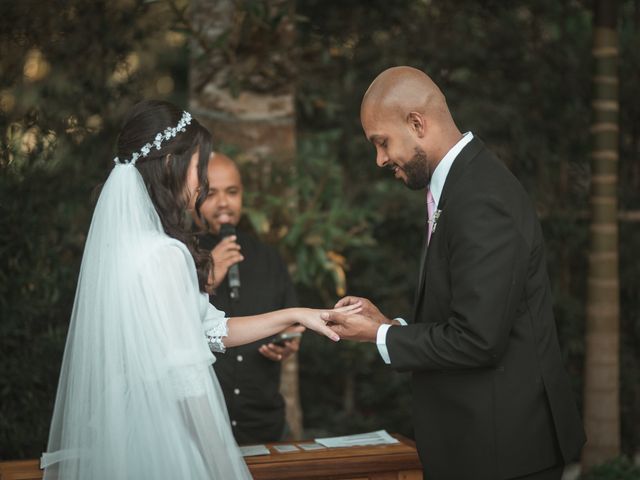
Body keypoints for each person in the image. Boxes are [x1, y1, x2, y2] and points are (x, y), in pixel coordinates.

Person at [40, 100, 358, 480]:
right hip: (167, 442)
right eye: (199, 167)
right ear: (173, 164)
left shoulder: (124, 249)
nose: (203, 183)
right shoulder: (166, 254)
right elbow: (189, 381)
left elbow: (211, 330)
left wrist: (296, 314)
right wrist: (222, 463)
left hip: (124, 437)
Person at [323, 67, 586, 480]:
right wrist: (389, 324)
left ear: (417, 124)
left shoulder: (480, 198)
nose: (379, 159)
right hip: (481, 446)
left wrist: (379, 335)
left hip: (504, 455)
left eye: (382, 142)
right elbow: (465, 316)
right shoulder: (460, 186)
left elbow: (478, 341)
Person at [194, 151, 301, 444]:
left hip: (263, 425)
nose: (224, 203)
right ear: (195, 197)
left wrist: (288, 344)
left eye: (232, 192)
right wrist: (204, 274)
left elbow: (291, 323)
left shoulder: (268, 258)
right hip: (201, 430)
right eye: (211, 193)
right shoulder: (181, 256)